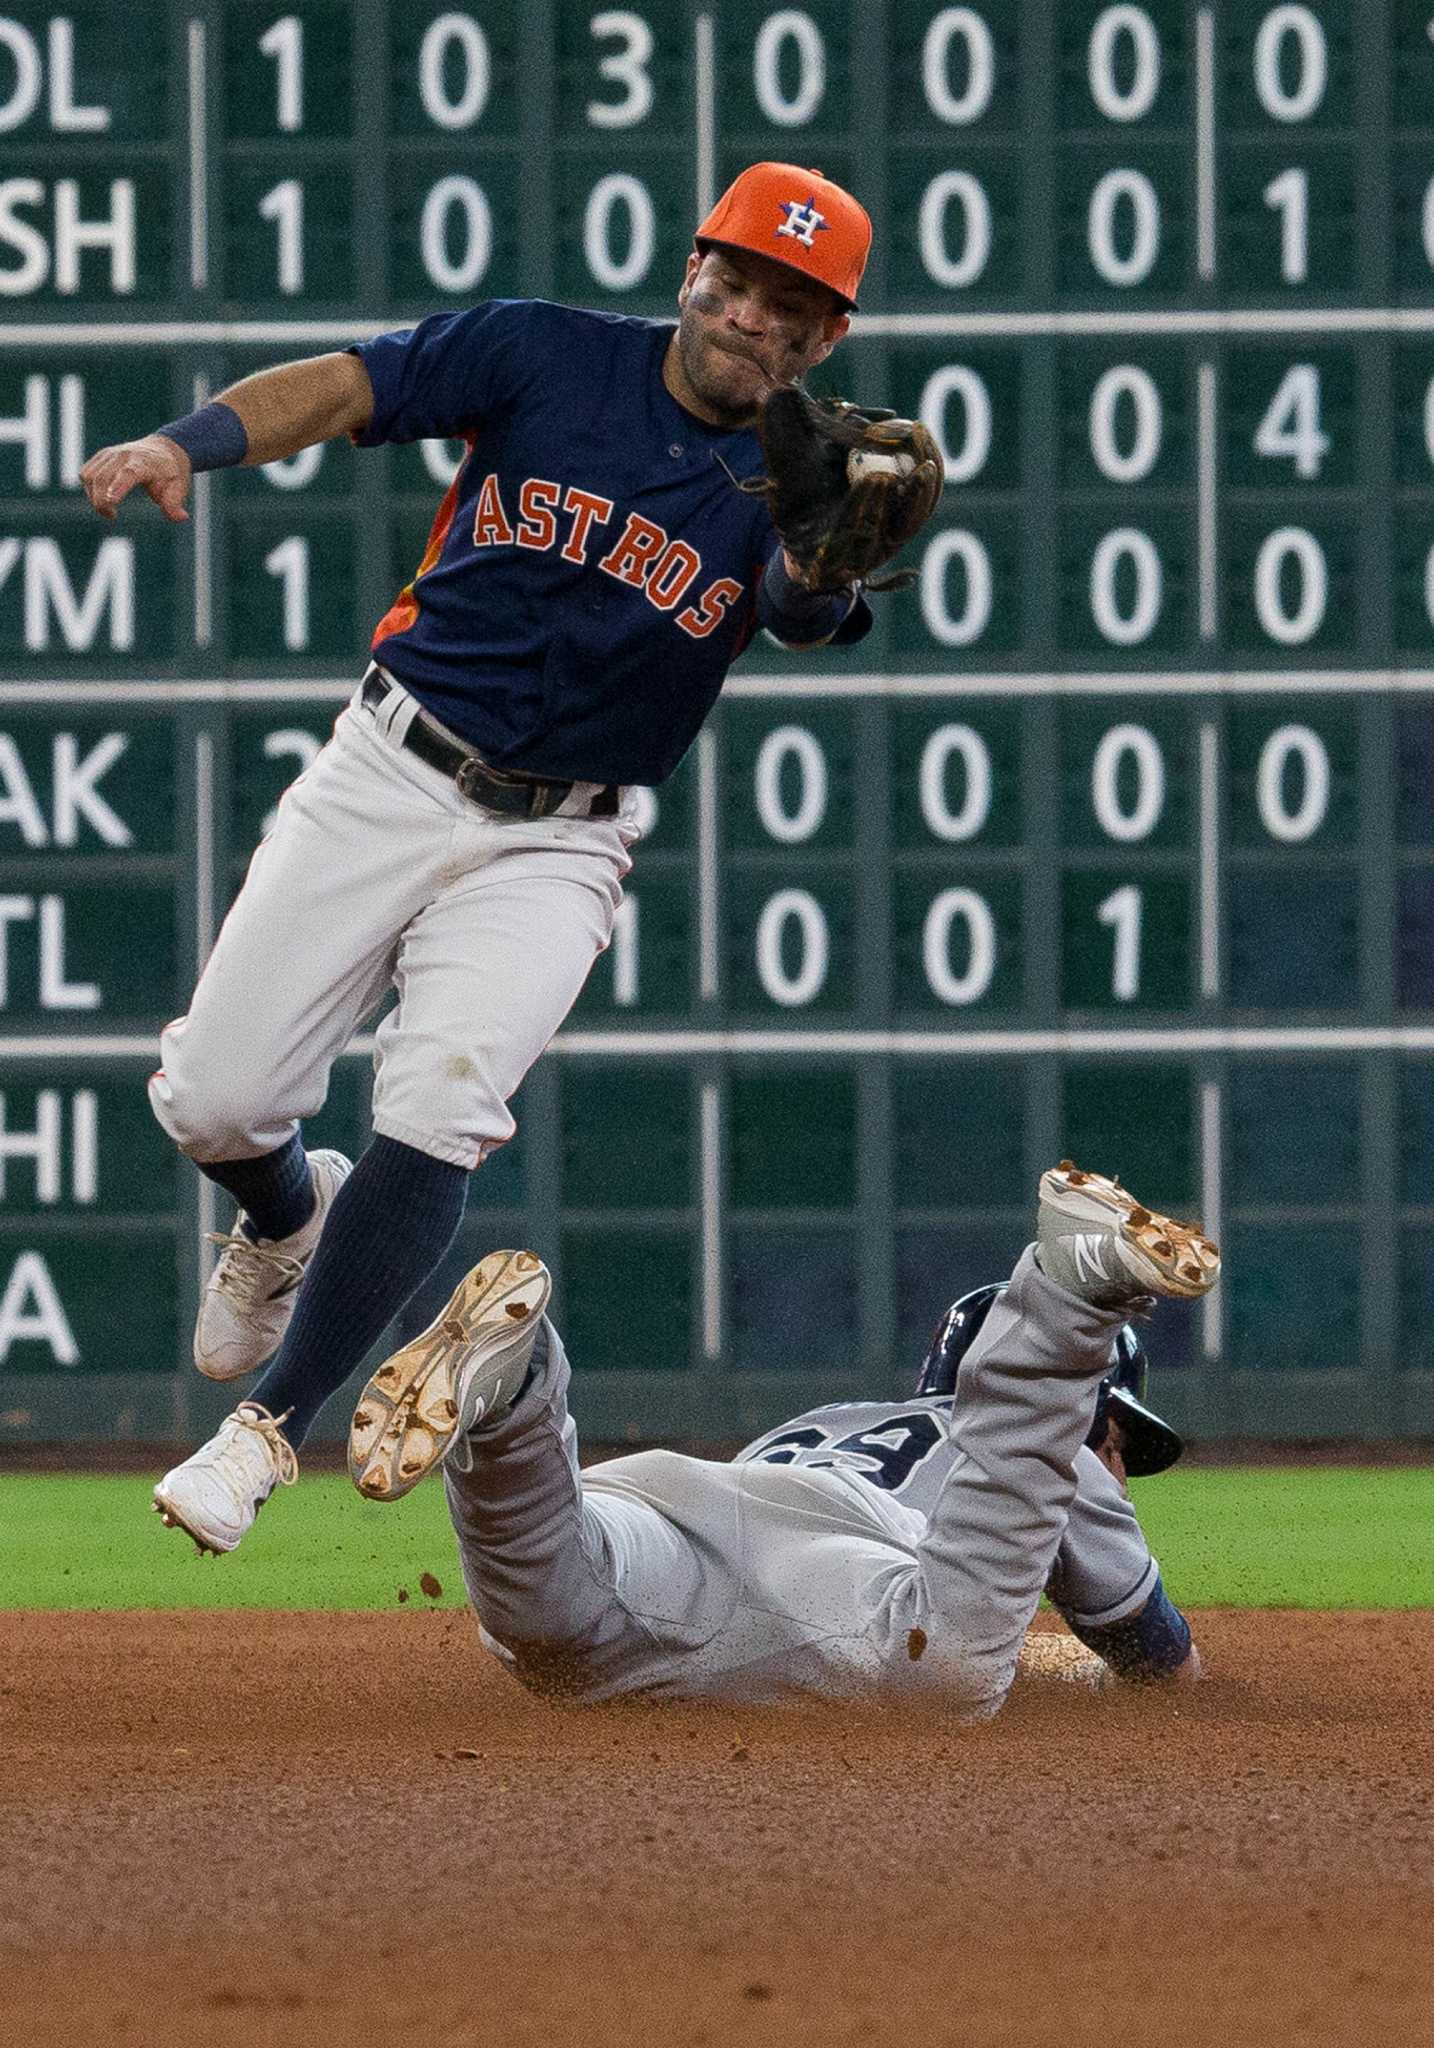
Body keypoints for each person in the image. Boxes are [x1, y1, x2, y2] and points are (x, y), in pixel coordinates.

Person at [76, 163, 902, 1556]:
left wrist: (822, 569)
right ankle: (284, 1214)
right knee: (215, 1101)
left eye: (792, 307)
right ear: (692, 267)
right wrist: (186, 443)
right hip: (392, 766)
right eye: (740, 277)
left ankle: (262, 1436)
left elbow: (795, 611)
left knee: (440, 1098)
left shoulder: (798, 472)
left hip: (562, 838)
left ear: (823, 343)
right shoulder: (543, 350)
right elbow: (348, 384)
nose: (752, 315)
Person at [349, 1163, 1218, 1713]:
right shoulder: (1053, 1454)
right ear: (1089, 1410)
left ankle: (518, 1396)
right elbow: (1161, 1664)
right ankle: (1070, 1302)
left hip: (680, 1496)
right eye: (1117, 1439)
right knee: (945, 1671)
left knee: (555, 1621)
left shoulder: (833, 1419)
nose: (1117, 1465)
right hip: (843, 1570)